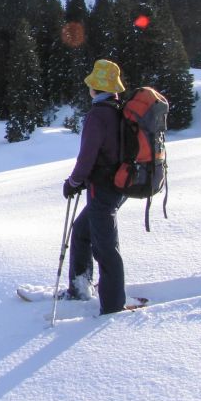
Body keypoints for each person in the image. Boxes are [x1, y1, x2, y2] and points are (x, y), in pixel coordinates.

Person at [62, 59, 128, 314]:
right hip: (117, 186)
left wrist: (73, 182)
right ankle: (79, 287)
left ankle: (112, 306)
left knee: (105, 248)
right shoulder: (118, 111)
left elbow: (87, 157)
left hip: (103, 188)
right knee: (81, 231)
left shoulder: (98, 116)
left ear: (95, 89)